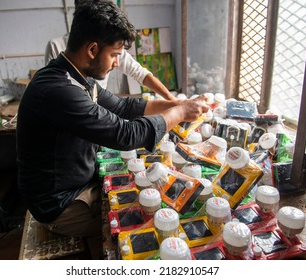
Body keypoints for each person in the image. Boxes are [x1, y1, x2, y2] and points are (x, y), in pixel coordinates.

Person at [16, 0, 208, 257]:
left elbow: (125, 107)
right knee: (149, 218)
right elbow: (126, 134)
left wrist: (178, 103)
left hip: (78, 183)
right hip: (61, 205)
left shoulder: (78, 78)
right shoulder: (59, 90)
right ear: (93, 49)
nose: (117, 63)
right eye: (115, 55)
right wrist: (180, 113)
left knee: (148, 188)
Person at [44, 0, 176, 101]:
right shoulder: (56, 47)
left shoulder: (109, 48)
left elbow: (140, 75)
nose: (117, 62)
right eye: (114, 55)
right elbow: (54, 92)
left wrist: (173, 101)